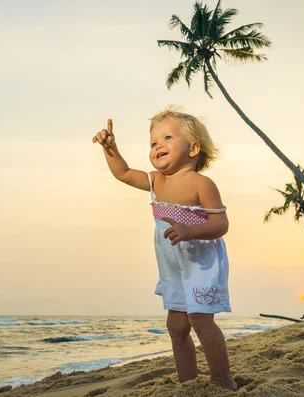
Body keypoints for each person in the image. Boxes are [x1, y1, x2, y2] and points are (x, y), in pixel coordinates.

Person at [92, 107, 237, 391]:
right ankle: (188, 384)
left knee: (201, 320)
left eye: (167, 138)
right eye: (153, 143)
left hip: (200, 262)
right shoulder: (156, 182)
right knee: (176, 326)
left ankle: (222, 379)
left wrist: (191, 230)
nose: (158, 146)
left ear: (193, 148)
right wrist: (110, 149)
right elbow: (121, 173)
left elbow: (221, 224)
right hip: (172, 264)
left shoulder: (202, 184)